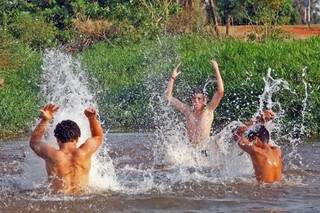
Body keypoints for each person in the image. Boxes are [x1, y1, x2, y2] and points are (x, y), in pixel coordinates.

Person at [29, 103, 104, 194]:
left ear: (57, 139)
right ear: (77, 138)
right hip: (83, 197)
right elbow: (98, 137)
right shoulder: (84, 152)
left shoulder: (53, 155)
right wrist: (91, 118)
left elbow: (34, 142)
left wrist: (45, 120)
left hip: (59, 199)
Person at [165, 60, 224, 146]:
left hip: (205, 151)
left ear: (205, 100)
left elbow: (220, 92)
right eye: (194, 98)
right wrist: (172, 78)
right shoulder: (187, 110)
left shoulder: (209, 110)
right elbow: (168, 97)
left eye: (199, 99)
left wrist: (216, 70)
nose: (196, 101)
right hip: (191, 151)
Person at [234, 110, 282, 183]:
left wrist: (255, 120)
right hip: (279, 190)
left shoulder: (256, 151)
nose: (251, 142)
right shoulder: (278, 151)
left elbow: (236, 134)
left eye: (251, 140)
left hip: (264, 191)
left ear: (255, 139)